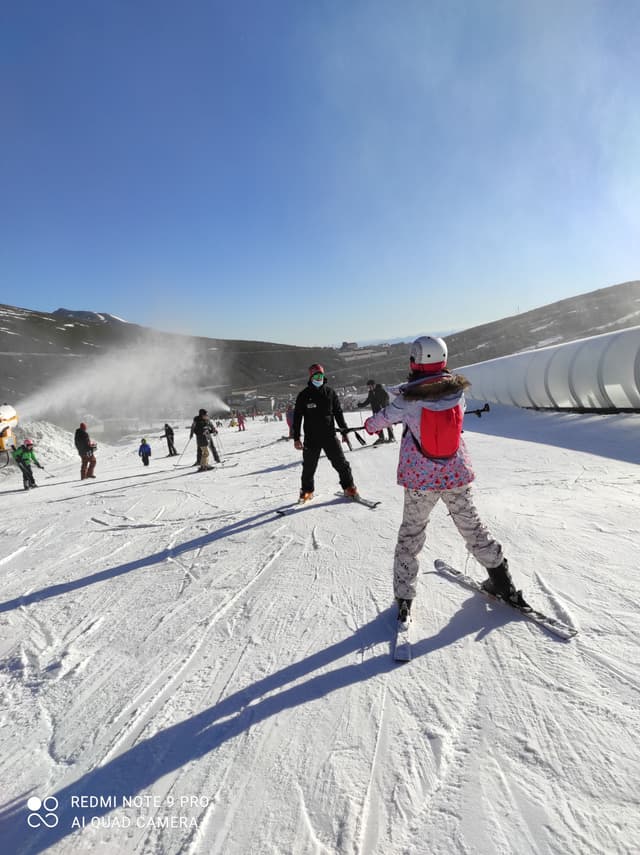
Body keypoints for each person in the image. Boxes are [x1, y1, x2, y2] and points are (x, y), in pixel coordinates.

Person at [364, 335, 526, 620]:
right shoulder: (457, 393)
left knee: (411, 535)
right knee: (473, 527)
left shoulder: (407, 400)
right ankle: (503, 583)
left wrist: (370, 424)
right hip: (455, 474)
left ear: (415, 360)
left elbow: (378, 422)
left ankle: (404, 599)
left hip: (420, 480)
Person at [292, 363, 358, 501]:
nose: (319, 377)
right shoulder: (304, 395)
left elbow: (338, 413)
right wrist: (296, 438)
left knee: (341, 463)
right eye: (316, 375)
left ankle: (349, 487)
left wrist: (344, 432)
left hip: (329, 435)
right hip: (311, 438)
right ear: (311, 376)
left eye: (321, 374)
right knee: (309, 467)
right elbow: (297, 417)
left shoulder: (330, 393)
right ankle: (307, 491)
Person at [358, 379, 395, 445]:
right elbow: (368, 401)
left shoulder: (380, 390)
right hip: (376, 411)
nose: (369, 388)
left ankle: (391, 437)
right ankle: (381, 438)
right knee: (377, 424)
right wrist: (361, 405)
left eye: (370, 386)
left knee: (387, 423)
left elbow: (387, 397)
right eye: (368, 387)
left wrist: (383, 405)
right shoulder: (370, 392)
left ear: (374, 385)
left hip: (383, 410)